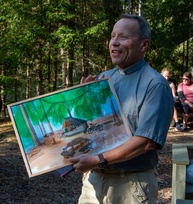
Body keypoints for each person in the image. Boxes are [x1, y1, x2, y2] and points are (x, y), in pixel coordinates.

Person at [69, 14, 174, 204]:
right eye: (113, 36)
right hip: (93, 182)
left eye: (123, 37)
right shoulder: (103, 79)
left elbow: (146, 142)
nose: (114, 43)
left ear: (144, 45)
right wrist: (85, 98)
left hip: (130, 185)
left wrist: (97, 159)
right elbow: (92, 127)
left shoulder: (155, 84)